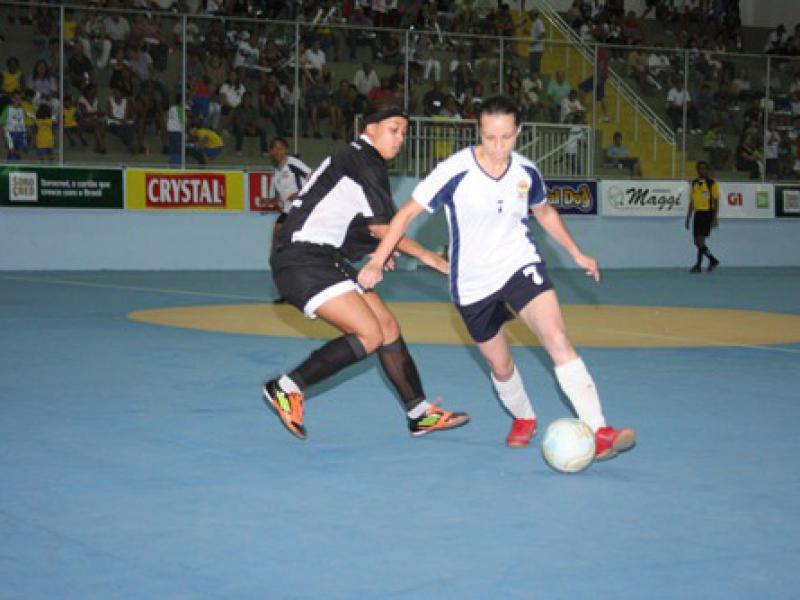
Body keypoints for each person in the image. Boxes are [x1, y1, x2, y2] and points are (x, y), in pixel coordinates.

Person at [358, 95, 635, 460]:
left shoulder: (525, 171)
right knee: (500, 365)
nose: (498, 146)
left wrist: (576, 251)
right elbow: (406, 214)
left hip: (519, 264)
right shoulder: (455, 170)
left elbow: (544, 212)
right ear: (480, 132)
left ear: (518, 132)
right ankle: (524, 417)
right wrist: (378, 260)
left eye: (506, 137)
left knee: (556, 338)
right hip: (473, 282)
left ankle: (599, 430)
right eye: (490, 137)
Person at [263, 103, 469, 440]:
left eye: (404, 132)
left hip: (322, 256)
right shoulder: (366, 160)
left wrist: (377, 249)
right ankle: (286, 387)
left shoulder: (353, 159)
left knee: (386, 327)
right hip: (303, 259)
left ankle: (419, 413)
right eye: (393, 129)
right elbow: (384, 227)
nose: (400, 138)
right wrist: (428, 257)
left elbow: (352, 223)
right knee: (369, 335)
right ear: (370, 129)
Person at [266, 136, 312, 303]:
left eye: (281, 148)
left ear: (286, 150)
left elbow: (313, 176)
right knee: (277, 252)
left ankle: (306, 288)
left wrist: (300, 194)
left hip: (300, 209)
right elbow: (279, 198)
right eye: (275, 148)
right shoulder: (276, 172)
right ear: (271, 151)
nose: (279, 151)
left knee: (291, 249)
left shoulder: (292, 163)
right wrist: (269, 201)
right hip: (287, 211)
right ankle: (286, 290)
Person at [685, 160, 720, 274]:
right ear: (697, 170)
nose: (702, 171)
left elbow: (716, 201)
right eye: (700, 169)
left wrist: (714, 217)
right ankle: (712, 260)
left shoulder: (712, 184)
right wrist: (688, 217)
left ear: (707, 170)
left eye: (704, 169)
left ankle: (699, 265)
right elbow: (692, 202)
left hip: (707, 213)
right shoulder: (694, 183)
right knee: (697, 241)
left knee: (700, 240)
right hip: (698, 214)